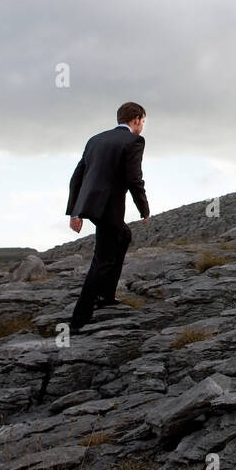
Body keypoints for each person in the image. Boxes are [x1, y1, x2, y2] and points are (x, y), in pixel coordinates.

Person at [65, 101, 150, 332]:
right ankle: (79, 319)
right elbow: (134, 179)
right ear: (136, 119)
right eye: (143, 121)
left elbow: (77, 177)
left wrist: (75, 211)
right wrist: (144, 209)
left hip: (91, 205)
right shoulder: (134, 140)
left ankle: (106, 295)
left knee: (122, 236)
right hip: (109, 206)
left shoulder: (95, 140)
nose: (143, 126)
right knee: (102, 259)